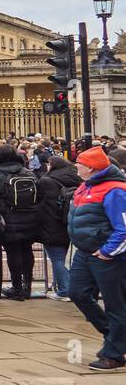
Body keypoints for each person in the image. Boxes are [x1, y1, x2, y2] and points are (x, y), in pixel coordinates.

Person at [65, 146, 126, 370]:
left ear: (90, 167)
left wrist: (108, 251)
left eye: (79, 163)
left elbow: (124, 227)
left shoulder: (116, 190)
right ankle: (115, 335)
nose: (76, 166)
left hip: (107, 256)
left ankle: (113, 353)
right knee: (77, 293)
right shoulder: (85, 186)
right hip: (85, 252)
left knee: (115, 304)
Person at [0, 144, 41, 301]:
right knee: (27, 250)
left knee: (13, 251)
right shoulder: (28, 172)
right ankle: (27, 286)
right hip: (30, 217)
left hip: (8, 218)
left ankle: (17, 287)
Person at [37, 154, 79, 300]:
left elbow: (39, 200)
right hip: (72, 221)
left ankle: (64, 290)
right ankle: (69, 286)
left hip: (52, 223)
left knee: (57, 258)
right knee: (72, 258)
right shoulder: (77, 177)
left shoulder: (47, 181)